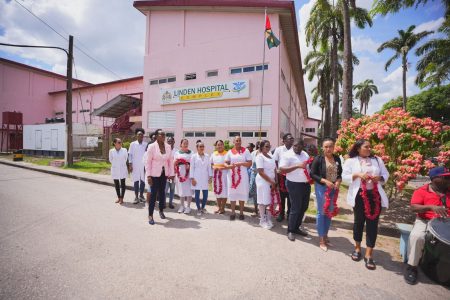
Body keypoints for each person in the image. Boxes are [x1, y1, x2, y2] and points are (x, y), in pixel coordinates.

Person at [342, 139, 389, 270]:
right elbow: (344, 177)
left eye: (370, 147)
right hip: (359, 196)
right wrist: (357, 174)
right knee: (358, 222)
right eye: (366, 147)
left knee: (373, 224)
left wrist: (379, 178)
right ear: (358, 148)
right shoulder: (350, 161)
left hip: (374, 196)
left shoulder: (377, 160)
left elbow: (386, 174)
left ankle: (369, 254)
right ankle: (357, 248)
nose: (369, 149)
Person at [404, 166, 450, 285]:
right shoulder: (421, 191)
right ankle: (412, 267)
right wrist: (431, 207)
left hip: (447, 222)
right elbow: (413, 207)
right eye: (445, 177)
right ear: (435, 179)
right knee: (417, 237)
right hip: (425, 221)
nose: (448, 179)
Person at [310, 137, 342, 251]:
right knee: (322, 212)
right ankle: (321, 239)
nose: (328, 149)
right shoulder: (318, 159)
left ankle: (326, 235)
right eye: (326, 146)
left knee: (330, 211)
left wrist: (338, 180)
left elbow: (339, 173)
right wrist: (325, 181)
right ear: (322, 148)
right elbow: (312, 174)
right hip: (322, 188)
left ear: (334, 147)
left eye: (331, 146)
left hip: (333, 188)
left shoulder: (337, 158)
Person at [279, 139, 311, 241]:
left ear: (303, 146)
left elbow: (308, 167)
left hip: (305, 184)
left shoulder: (305, 154)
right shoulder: (287, 155)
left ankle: (297, 227)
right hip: (293, 184)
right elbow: (281, 169)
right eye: (295, 146)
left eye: (299, 146)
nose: (296, 148)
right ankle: (290, 230)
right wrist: (297, 166)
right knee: (295, 208)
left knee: (304, 207)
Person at [145, 129, 174, 225]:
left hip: (164, 174)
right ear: (157, 136)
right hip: (154, 174)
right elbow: (148, 162)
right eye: (161, 135)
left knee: (162, 193)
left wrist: (171, 174)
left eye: (164, 135)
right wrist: (148, 175)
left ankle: (161, 210)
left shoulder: (168, 147)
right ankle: (150, 215)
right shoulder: (151, 146)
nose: (163, 136)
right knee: (153, 194)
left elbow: (170, 161)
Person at [224, 135, 252, 220]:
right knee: (233, 193)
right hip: (232, 176)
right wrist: (229, 166)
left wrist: (241, 164)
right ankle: (232, 212)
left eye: (239, 140)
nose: (238, 142)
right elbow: (225, 163)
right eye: (236, 140)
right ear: (233, 142)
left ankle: (241, 212)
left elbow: (250, 163)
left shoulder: (245, 151)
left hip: (242, 176)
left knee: (241, 193)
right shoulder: (230, 151)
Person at [255, 140, 277, 229]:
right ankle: (262, 220)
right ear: (262, 147)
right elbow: (260, 172)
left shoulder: (271, 156)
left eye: (269, 146)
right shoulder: (259, 156)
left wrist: (275, 180)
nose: (268, 148)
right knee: (263, 201)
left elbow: (275, 169)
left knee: (272, 200)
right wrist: (271, 182)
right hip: (263, 181)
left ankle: (268, 218)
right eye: (266, 146)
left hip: (272, 181)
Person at [273, 133, 294, 222]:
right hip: (281, 176)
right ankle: (281, 214)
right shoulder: (279, 150)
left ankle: (289, 214)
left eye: (292, 138)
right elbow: (274, 163)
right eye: (289, 138)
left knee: (290, 197)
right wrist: (276, 176)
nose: (292, 140)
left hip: (292, 176)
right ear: (284, 141)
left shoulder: (295, 149)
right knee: (281, 197)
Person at [190, 142, 213, 216]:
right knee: (197, 194)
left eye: (203, 146)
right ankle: (198, 209)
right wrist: (192, 178)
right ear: (197, 148)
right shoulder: (193, 156)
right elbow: (192, 168)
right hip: (196, 177)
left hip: (205, 177)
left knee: (205, 194)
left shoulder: (207, 156)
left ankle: (203, 207)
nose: (202, 148)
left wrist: (210, 176)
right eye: (200, 146)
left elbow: (209, 167)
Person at [174, 139, 193, 214]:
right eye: (184, 143)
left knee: (188, 190)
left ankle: (188, 206)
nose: (185, 144)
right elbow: (174, 162)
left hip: (188, 173)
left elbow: (193, 162)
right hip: (180, 173)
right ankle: (182, 206)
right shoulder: (177, 153)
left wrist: (189, 165)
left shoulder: (191, 152)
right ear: (181, 144)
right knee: (181, 190)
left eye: (187, 143)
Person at [128, 128, 147, 204]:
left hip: (143, 166)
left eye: (141, 135)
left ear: (143, 136)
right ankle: (136, 197)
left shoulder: (146, 144)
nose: (140, 135)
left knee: (143, 181)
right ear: (136, 135)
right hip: (135, 165)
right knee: (136, 180)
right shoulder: (132, 144)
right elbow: (130, 155)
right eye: (139, 134)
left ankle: (141, 196)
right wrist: (130, 164)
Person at [211, 140, 229, 214]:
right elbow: (211, 164)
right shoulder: (214, 154)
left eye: (221, 144)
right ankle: (218, 207)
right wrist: (213, 167)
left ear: (223, 146)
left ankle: (223, 208)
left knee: (224, 192)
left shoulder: (227, 154)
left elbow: (229, 164)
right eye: (218, 145)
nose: (219, 146)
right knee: (217, 191)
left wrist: (222, 168)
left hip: (224, 175)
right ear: (216, 146)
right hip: (215, 175)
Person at [109, 138, 128, 205]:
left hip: (122, 169)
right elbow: (110, 160)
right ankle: (119, 197)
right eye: (119, 142)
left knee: (123, 184)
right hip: (115, 169)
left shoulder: (124, 150)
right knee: (116, 184)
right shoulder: (111, 151)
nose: (120, 143)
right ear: (115, 143)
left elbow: (126, 159)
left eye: (120, 142)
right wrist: (116, 165)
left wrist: (120, 164)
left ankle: (122, 198)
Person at [249, 141, 261, 216]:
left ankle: (262, 210)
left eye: (261, 144)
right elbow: (250, 163)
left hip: (262, 175)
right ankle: (255, 210)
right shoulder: (253, 153)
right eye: (258, 144)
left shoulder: (266, 153)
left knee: (262, 192)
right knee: (254, 193)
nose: (259, 145)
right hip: (254, 175)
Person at [165, 136, 176, 209]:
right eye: (168, 141)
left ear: (174, 142)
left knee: (172, 189)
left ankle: (170, 203)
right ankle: (163, 203)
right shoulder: (164, 151)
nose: (170, 143)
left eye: (171, 141)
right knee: (165, 190)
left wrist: (174, 174)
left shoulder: (177, 152)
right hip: (165, 175)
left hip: (173, 175)